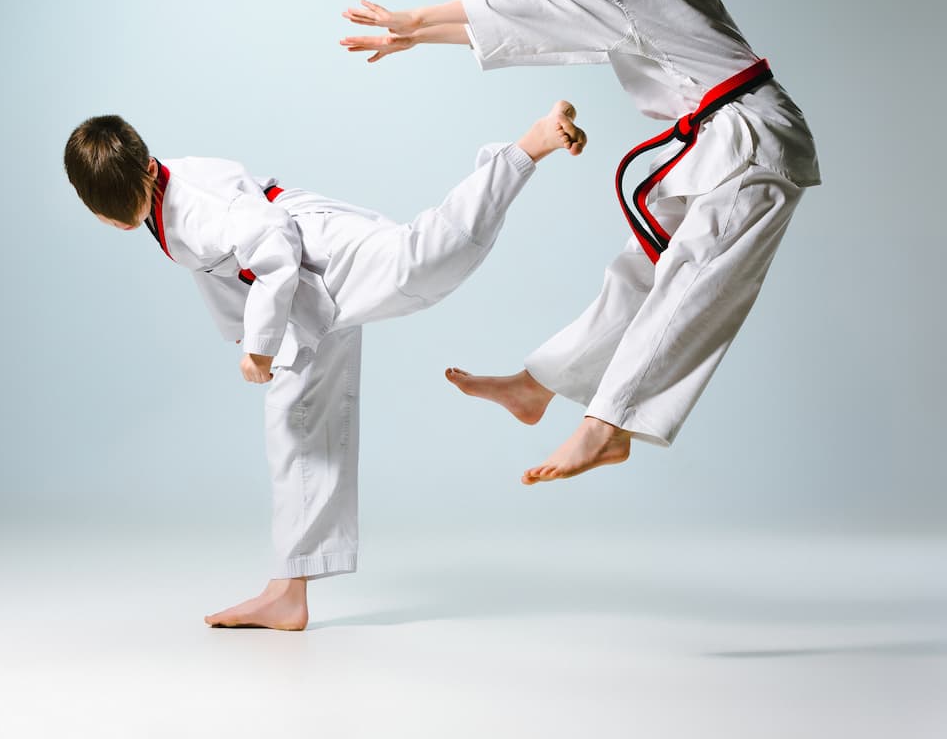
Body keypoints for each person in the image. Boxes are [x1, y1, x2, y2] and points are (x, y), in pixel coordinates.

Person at [340, 0, 821, 485]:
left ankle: (608, 427)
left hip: (753, 145)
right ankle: (538, 386)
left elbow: (533, 6)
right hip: (719, 144)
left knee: (691, 280)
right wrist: (416, 34)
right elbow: (543, 23)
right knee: (639, 274)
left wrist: (416, 19)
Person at [64, 102, 585, 630]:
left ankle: (527, 148)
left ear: (148, 169)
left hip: (314, 253)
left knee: (424, 259)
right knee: (296, 421)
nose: (118, 222)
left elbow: (270, 244)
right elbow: (220, 269)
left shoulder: (196, 210)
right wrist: (249, 335)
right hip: (296, 294)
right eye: (108, 216)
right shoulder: (156, 191)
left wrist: (260, 346)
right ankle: (288, 592)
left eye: (123, 209)